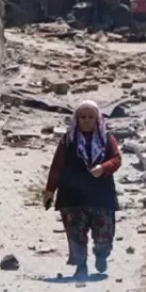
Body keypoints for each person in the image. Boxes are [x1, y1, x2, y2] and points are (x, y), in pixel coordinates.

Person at [43, 100, 122, 280]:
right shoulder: (68, 140)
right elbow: (57, 167)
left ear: (97, 119)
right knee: (75, 234)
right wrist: (49, 190)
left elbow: (116, 159)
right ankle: (81, 266)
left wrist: (103, 168)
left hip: (101, 195)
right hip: (72, 196)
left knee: (104, 234)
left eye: (90, 117)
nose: (86, 121)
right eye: (82, 117)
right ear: (76, 119)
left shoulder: (106, 138)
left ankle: (101, 255)